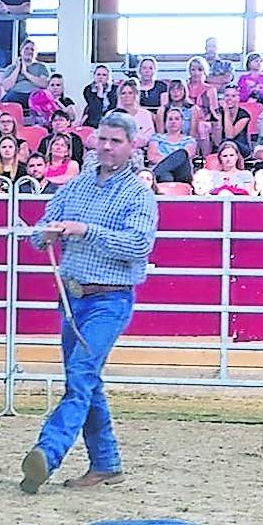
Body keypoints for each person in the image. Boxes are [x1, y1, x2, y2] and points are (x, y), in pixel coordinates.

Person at [19, 109, 157, 493]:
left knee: (79, 378)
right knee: (86, 381)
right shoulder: (75, 186)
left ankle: (47, 453)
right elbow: (41, 228)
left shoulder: (139, 196)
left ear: (132, 146)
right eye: (103, 139)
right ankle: (107, 464)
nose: (107, 147)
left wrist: (86, 230)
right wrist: (43, 235)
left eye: (116, 141)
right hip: (71, 297)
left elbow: (139, 245)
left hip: (109, 301)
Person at [147, 107, 198, 185]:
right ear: (165, 122)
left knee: (182, 153)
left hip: (182, 174)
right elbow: (152, 157)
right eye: (170, 119)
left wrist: (167, 161)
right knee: (167, 176)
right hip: (162, 175)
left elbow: (186, 156)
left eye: (177, 119)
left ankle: (154, 174)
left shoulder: (189, 140)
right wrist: (171, 162)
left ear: (182, 122)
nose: (173, 122)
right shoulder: (156, 138)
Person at [0, 38, 49, 108]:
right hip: (15, 95)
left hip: (34, 95)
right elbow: (6, 87)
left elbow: (45, 84)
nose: (29, 51)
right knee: (7, 100)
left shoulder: (41, 67)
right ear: (21, 51)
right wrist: (18, 68)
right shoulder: (11, 68)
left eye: (32, 49)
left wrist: (26, 73)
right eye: (26, 49)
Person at [81, 64, 117, 129]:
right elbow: (95, 109)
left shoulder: (115, 90)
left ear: (108, 77)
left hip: (111, 120)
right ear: (94, 76)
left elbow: (113, 107)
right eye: (98, 74)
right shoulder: (88, 90)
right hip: (94, 121)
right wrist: (100, 93)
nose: (101, 77)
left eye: (104, 75)